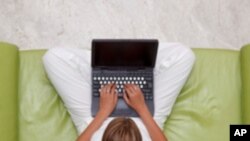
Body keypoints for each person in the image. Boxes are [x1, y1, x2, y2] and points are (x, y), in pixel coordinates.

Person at [42, 42, 195, 141]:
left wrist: (103, 111)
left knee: (53, 57)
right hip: (145, 120)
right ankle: (136, 66)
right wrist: (142, 108)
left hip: (96, 121)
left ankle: (102, 65)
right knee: (184, 55)